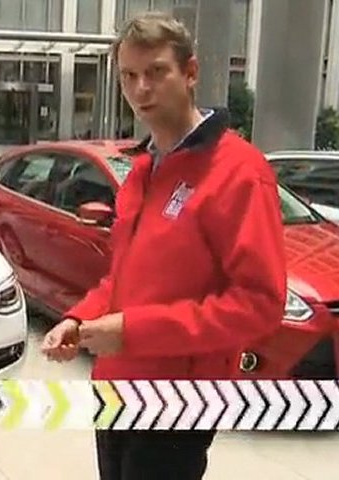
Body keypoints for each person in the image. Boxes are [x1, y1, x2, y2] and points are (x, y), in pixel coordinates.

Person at [41, 11, 287, 480]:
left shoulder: (240, 173)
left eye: (156, 72)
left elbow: (258, 305)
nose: (141, 89)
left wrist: (133, 331)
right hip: (117, 388)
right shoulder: (143, 169)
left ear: (190, 72)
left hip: (178, 403)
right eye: (129, 76)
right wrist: (79, 319)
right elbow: (122, 278)